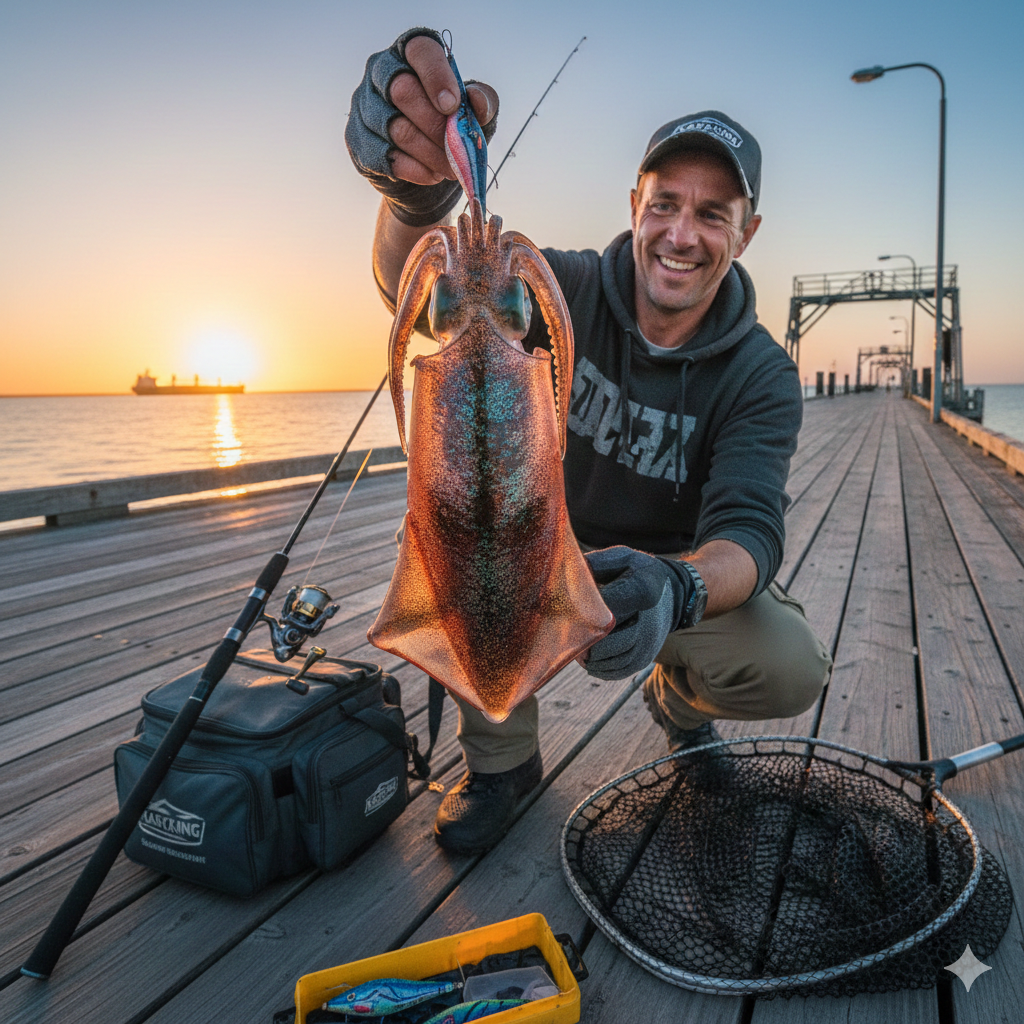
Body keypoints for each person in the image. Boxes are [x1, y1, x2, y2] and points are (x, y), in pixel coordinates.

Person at [346, 28, 833, 855]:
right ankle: (502, 762)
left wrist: (675, 588)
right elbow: (412, 289)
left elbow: (749, 533)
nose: (681, 234)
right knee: (454, 532)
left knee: (787, 662)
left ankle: (679, 707)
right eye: (665, 204)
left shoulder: (760, 373)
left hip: (650, 579)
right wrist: (410, 200)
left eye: (711, 214)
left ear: (746, 232)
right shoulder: (561, 287)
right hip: (533, 550)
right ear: (635, 205)